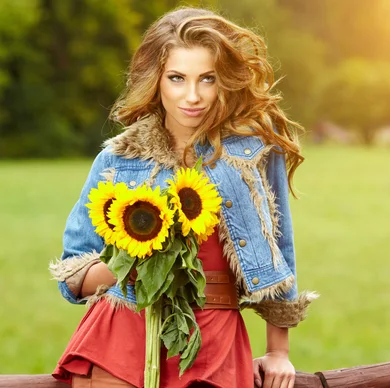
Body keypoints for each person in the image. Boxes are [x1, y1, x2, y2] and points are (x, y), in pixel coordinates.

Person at [49, 7, 318, 388]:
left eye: (207, 79)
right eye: (177, 78)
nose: (193, 96)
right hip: (119, 338)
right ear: (156, 80)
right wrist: (136, 259)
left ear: (223, 80)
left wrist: (278, 352)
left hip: (215, 342)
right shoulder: (118, 158)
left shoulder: (253, 150)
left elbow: (280, 248)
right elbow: (73, 272)